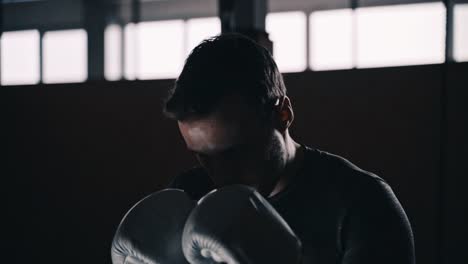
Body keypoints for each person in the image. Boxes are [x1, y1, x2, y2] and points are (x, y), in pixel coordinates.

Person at [164, 33, 415, 263]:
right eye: (203, 157)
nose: (221, 177)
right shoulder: (189, 194)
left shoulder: (363, 205)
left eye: (235, 154)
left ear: (283, 114)